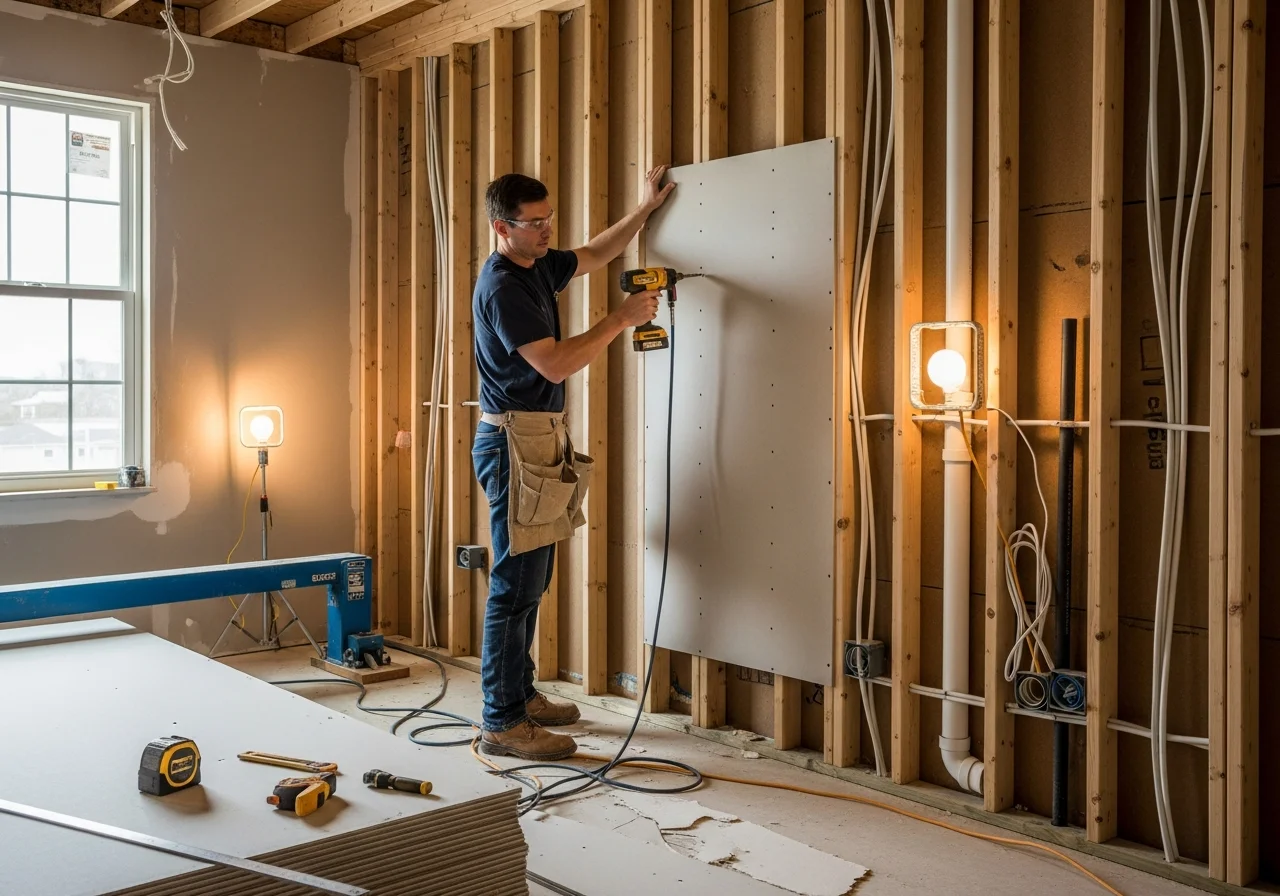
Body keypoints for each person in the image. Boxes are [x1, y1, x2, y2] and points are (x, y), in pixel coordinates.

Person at [471, 167, 676, 761]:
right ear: (501, 228)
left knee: (533, 581)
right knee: (514, 587)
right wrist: (619, 319)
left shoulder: (536, 264)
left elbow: (595, 253)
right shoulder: (504, 287)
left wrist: (644, 208)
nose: (546, 231)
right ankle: (501, 722)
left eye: (549, 219)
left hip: (539, 438)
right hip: (514, 444)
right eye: (534, 223)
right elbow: (556, 365)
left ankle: (519, 696)